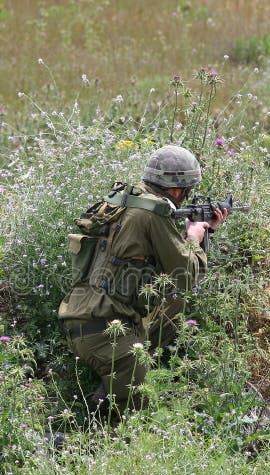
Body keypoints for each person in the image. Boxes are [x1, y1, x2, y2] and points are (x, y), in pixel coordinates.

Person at [58, 145, 228, 424]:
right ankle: (70, 441)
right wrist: (196, 236)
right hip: (107, 333)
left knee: (172, 305)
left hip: (82, 320)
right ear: (176, 190)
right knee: (132, 426)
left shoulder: (125, 199)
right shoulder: (154, 214)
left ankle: (105, 397)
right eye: (187, 190)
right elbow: (186, 274)